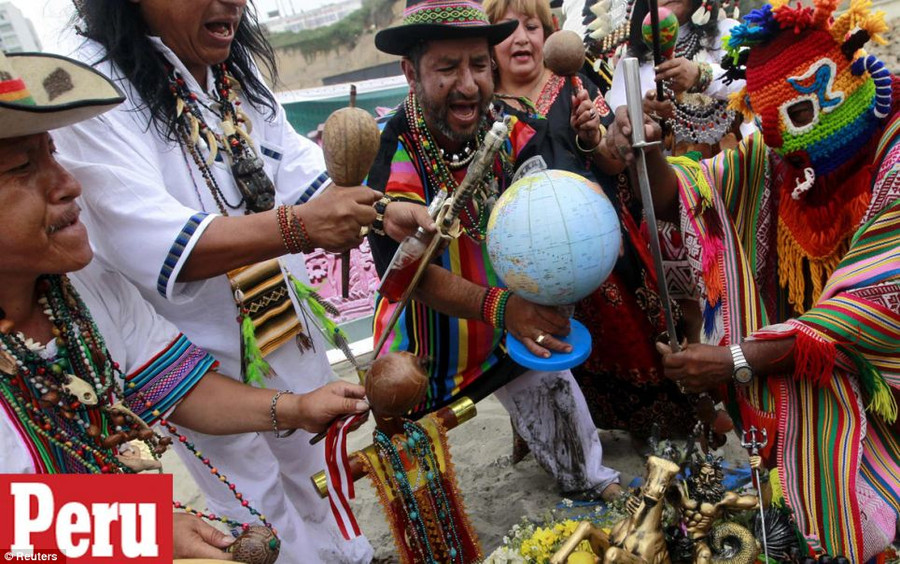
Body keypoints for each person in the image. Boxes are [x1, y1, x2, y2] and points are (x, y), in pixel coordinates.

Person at [52, 1, 427, 561]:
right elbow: (147, 239)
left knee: (315, 454)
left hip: (277, 313)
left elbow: (293, 164)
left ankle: (352, 555)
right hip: (190, 348)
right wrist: (299, 227)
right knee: (255, 498)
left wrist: (377, 211)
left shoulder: (226, 71)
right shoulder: (89, 83)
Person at [0, 50, 368, 560]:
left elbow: (180, 389)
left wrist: (299, 409)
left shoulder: (78, 289)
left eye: (52, 154)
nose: (68, 183)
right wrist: (140, 528)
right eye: (22, 167)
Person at [607, 0, 899, 559]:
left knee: (801, 380)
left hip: (887, 370)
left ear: (852, 80)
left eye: (798, 119)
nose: (784, 146)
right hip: (823, 365)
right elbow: (696, 195)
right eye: (769, 124)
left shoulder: (894, 154)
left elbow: (874, 305)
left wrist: (736, 358)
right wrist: (646, 152)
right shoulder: (785, 157)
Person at [366, 0, 623, 502]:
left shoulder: (513, 127)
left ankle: (586, 478)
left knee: (583, 462)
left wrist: (598, 142)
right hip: (426, 336)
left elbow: (549, 208)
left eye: (480, 65)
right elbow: (409, 277)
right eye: (447, 68)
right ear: (409, 73)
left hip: (508, 329)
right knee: (412, 464)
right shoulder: (393, 151)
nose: (469, 85)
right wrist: (506, 308)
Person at [484, 0, 700, 442]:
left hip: (600, 240)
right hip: (534, 255)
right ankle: (573, 441)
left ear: (549, 34)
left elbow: (613, 161)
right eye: (508, 29)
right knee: (554, 343)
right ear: (490, 45)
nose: (522, 38)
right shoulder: (485, 109)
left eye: (532, 26)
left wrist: (592, 136)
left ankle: (665, 421)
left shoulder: (576, 84)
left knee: (636, 334)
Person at [606, 0, 750, 158]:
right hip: (677, 176)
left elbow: (751, 79)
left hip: (744, 159)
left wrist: (700, 75)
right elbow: (621, 131)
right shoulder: (630, 63)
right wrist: (643, 111)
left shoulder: (725, 31)